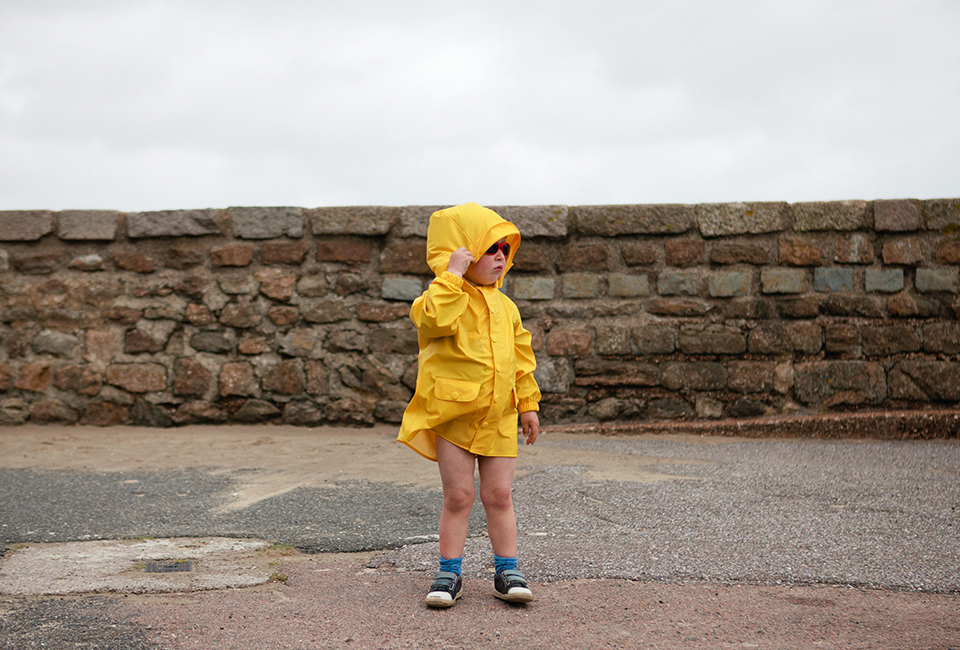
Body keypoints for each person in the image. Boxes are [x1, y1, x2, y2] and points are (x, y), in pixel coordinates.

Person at [397, 202, 541, 608]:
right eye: (490, 247)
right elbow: (431, 320)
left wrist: (527, 404)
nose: (500, 257)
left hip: (499, 416)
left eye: (505, 250)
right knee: (458, 495)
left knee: (499, 494)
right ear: (462, 252)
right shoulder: (444, 297)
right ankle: (449, 572)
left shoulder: (506, 307)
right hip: (455, 417)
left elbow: (521, 358)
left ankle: (507, 569)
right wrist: (451, 275)